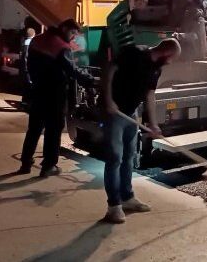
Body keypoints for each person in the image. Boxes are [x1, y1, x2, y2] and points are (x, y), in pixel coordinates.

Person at [101, 39, 182, 224]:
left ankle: (127, 198)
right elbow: (109, 71)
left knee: (129, 156)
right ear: (165, 53)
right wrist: (108, 100)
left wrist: (153, 124)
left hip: (131, 113)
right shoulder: (133, 53)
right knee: (115, 158)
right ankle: (113, 206)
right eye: (172, 59)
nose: (171, 62)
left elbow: (149, 95)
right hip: (114, 112)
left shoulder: (156, 68)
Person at [18, 19, 93, 177]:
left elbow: (27, 64)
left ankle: (25, 162)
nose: (73, 37)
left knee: (34, 128)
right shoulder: (61, 46)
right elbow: (72, 69)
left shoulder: (37, 39)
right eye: (72, 33)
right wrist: (89, 79)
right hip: (55, 93)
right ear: (64, 28)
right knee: (54, 129)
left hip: (37, 90)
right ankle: (49, 165)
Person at [19, 27, 35, 108]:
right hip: (27, 69)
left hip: (23, 69)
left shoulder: (24, 43)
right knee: (29, 86)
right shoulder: (29, 44)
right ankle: (27, 103)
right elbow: (26, 58)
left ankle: (24, 102)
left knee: (25, 86)